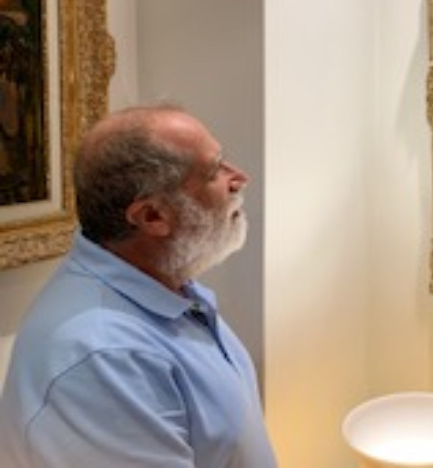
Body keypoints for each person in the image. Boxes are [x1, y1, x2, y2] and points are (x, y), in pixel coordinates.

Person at [0, 104, 278, 467]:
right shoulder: (104, 359)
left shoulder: (166, 284)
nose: (239, 178)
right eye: (214, 171)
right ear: (152, 216)